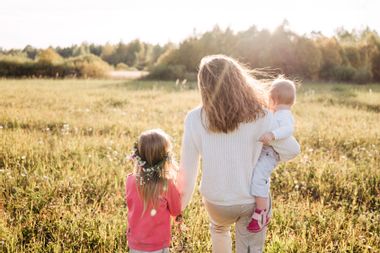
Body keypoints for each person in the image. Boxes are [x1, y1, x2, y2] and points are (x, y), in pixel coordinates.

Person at [178, 55, 300, 253]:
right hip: (252, 200)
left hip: (216, 201)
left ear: (204, 86)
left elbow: (187, 172)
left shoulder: (194, 118)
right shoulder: (261, 114)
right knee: (251, 248)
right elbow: (293, 150)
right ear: (239, 80)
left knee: (219, 230)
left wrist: (179, 208)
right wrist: (270, 155)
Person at [247, 78, 297, 233]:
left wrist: (272, 134)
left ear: (273, 99)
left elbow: (288, 129)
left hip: (271, 153)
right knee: (259, 176)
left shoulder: (284, 114)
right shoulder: (277, 113)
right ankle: (262, 207)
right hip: (267, 150)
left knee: (258, 177)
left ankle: (261, 212)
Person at [126, 129, 181, 253]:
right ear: (165, 158)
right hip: (158, 244)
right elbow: (176, 210)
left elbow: (130, 204)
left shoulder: (130, 180)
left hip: (135, 242)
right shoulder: (167, 184)